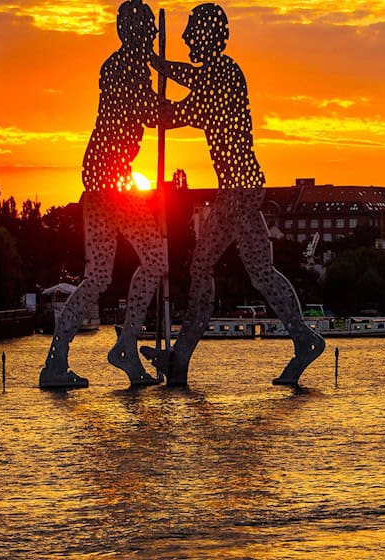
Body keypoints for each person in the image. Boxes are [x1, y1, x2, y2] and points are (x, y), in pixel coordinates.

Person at [143, 3, 325, 385]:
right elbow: (189, 78)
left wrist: (152, 99)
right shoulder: (215, 73)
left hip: (239, 191)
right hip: (238, 189)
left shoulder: (224, 75)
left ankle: (181, 359)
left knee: (207, 267)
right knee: (257, 271)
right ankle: (302, 339)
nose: (187, 37)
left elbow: (181, 111)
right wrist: (158, 64)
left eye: (192, 31)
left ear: (208, 36)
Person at [40, 0, 164, 388]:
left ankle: (57, 363)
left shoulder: (122, 65)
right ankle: (124, 346)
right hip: (110, 182)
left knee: (96, 277)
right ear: (133, 33)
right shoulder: (125, 67)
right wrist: (197, 107)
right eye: (149, 33)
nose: (154, 39)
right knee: (156, 260)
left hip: (104, 179)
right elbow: (153, 113)